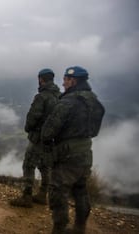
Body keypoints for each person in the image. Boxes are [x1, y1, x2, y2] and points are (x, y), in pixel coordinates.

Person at [41, 66, 105, 234]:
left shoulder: (67, 102)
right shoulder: (93, 100)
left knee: (58, 192)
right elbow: (95, 130)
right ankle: (79, 227)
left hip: (66, 156)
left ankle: (59, 229)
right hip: (85, 153)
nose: (63, 82)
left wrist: (49, 142)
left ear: (73, 81)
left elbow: (48, 131)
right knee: (80, 190)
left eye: (66, 79)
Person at [10, 68, 60, 208]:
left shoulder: (41, 97)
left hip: (38, 137)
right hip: (52, 139)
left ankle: (26, 196)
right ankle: (43, 194)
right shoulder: (59, 96)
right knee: (45, 166)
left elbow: (33, 117)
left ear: (40, 79)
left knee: (29, 165)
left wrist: (28, 128)